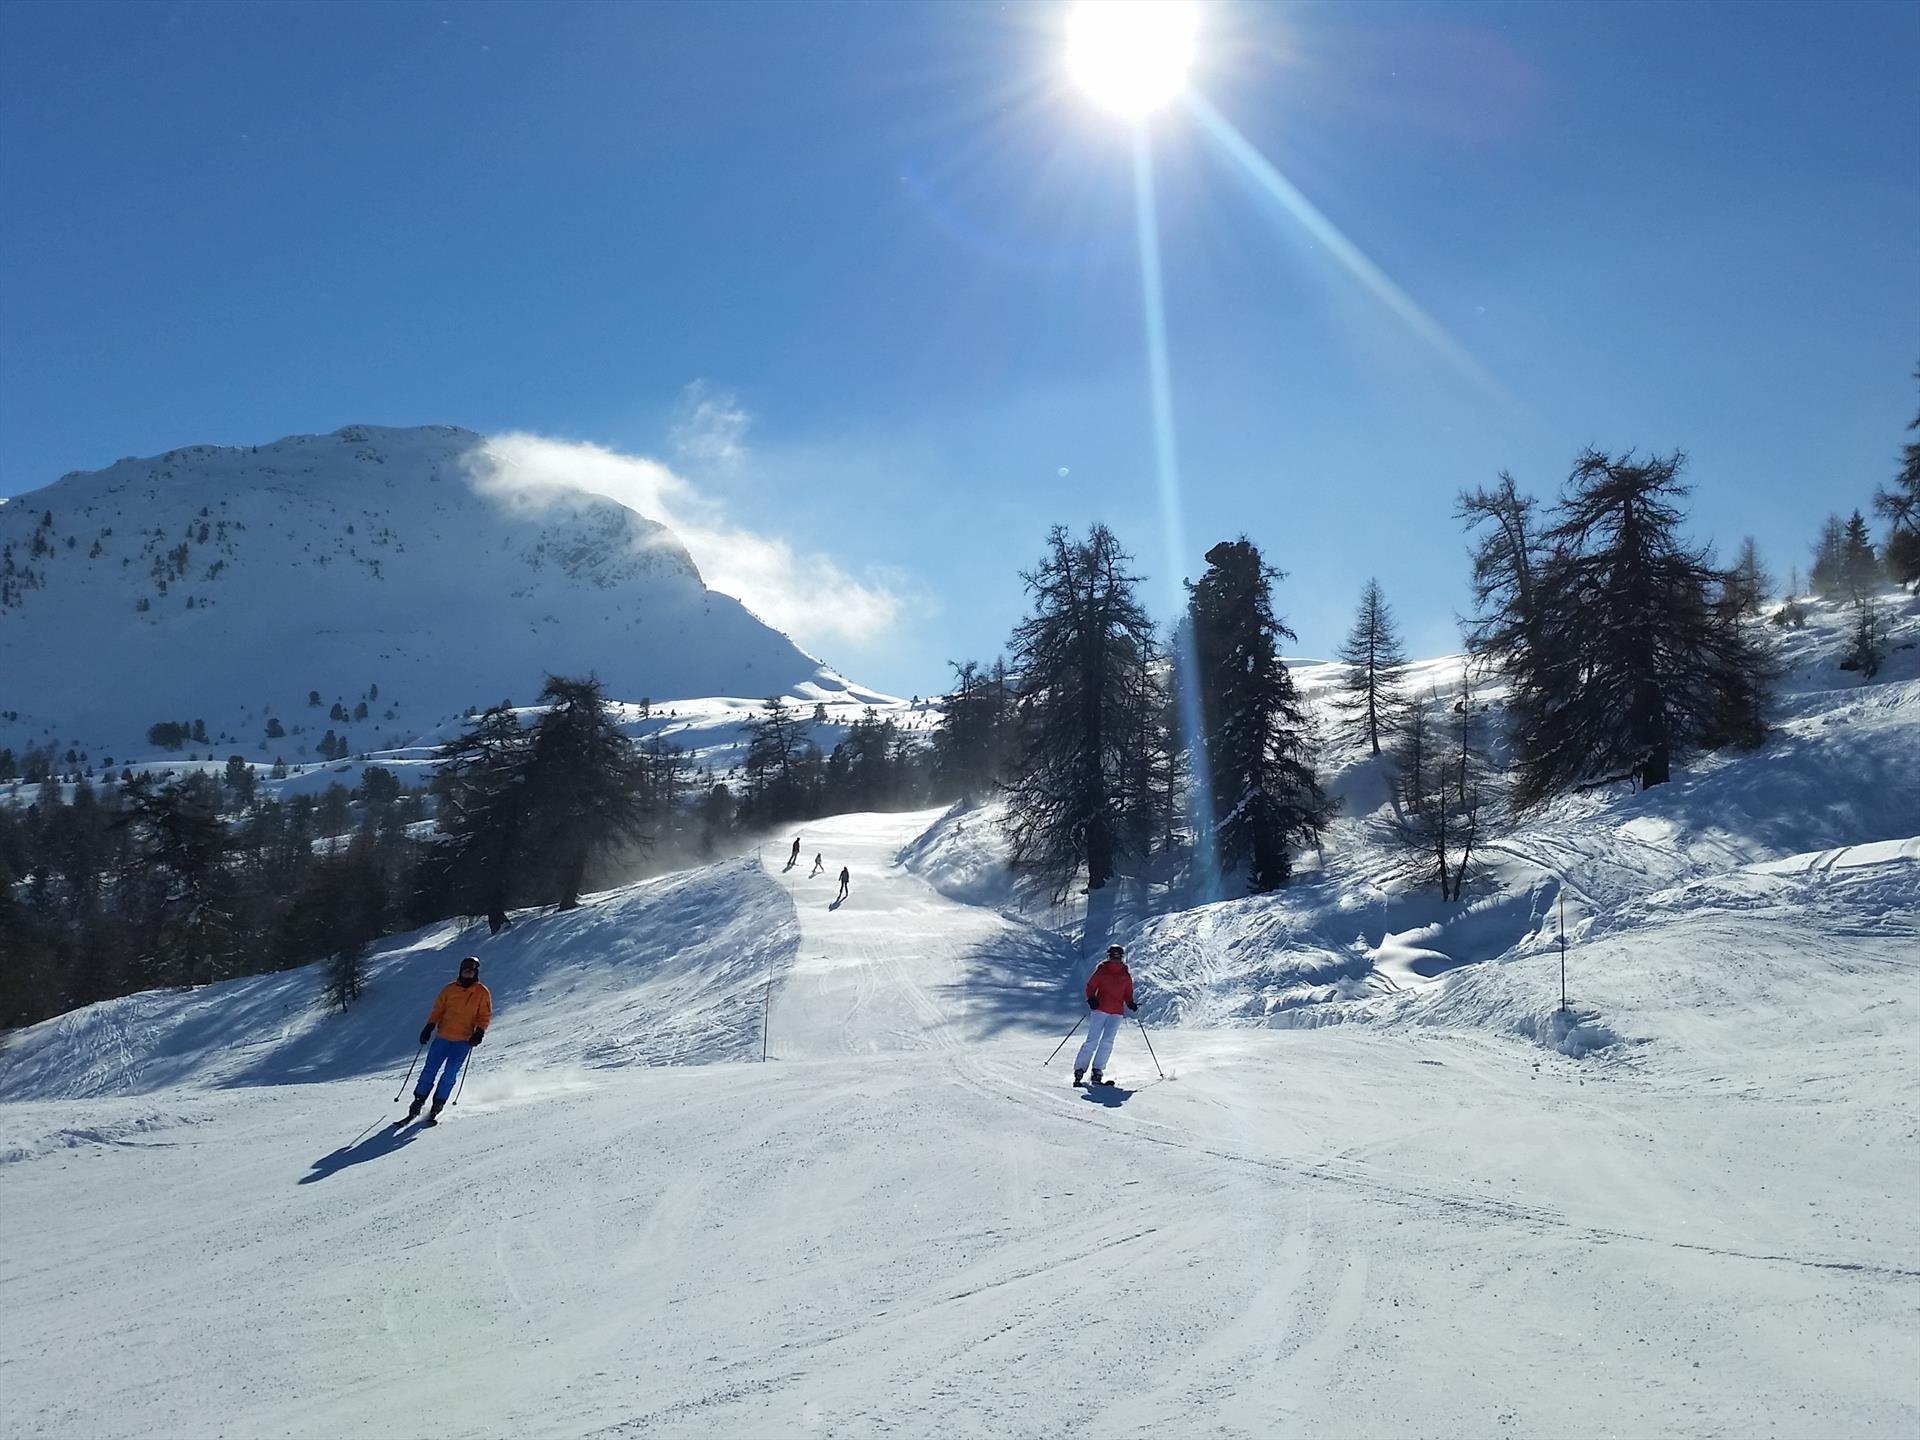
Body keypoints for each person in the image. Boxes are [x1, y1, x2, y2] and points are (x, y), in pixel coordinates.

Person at [406, 955, 492, 1124]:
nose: (468, 974)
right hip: (443, 1037)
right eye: (465, 971)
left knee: (450, 1073)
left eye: (471, 971)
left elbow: (484, 1015)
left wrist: (480, 1032)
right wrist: (429, 1026)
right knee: (429, 1070)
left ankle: (438, 1103)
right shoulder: (449, 990)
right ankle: (418, 1100)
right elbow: (438, 1010)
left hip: (463, 1041)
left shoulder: (482, 992)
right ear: (460, 971)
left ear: (475, 973)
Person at [1073, 944, 1137, 1087]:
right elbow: (1091, 986)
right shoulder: (1102, 970)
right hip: (1100, 1009)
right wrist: (1091, 998)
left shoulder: (1125, 974)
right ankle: (1080, 1069)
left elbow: (1127, 993)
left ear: (1122, 958)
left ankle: (1097, 1070)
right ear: (1108, 956)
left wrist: (1130, 1003)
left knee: (1107, 1041)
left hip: (1116, 1012)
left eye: (1118, 957)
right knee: (1093, 1040)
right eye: (1113, 957)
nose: (1115, 960)